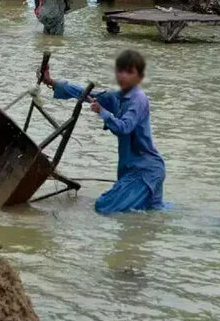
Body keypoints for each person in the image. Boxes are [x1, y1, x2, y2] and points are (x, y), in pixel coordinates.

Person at [42, 50, 166, 214]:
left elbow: (124, 127)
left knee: (104, 206)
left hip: (144, 172)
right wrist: (51, 82)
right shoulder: (117, 97)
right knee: (152, 214)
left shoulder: (138, 100)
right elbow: (84, 93)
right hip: (134, 170)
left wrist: (103, 112)